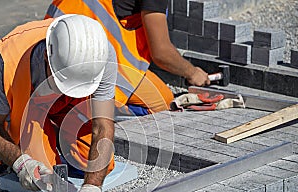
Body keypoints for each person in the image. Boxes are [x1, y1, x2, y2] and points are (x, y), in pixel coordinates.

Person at [0, 14, 118, 192]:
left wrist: (92, 186)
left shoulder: (100, 55)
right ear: (46, 57)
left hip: (59, 102)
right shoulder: (10, 61)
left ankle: (56, 135)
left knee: (97, 161)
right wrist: (20, 162)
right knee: (42, 176)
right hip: (12, 102)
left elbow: (103, 125)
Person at [45, 0, 211, 115]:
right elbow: (161, 53)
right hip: (88, 55)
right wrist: (192, 72)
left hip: (53, 39)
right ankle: (90, 112)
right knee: (162, 101)